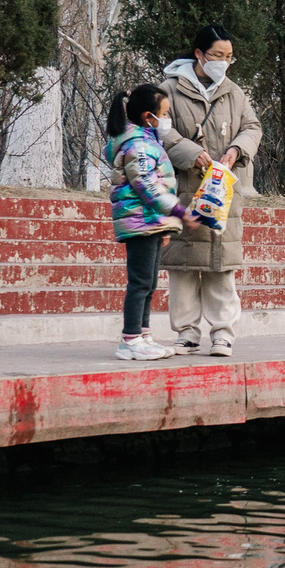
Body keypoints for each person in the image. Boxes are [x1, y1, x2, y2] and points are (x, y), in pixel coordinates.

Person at [159, 27, 262, 358]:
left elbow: (252, 127)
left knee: (221, 264)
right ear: (199, 54)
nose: (224, 62)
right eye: (218, 55)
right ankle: (187, 332)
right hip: (185, 188)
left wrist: (236, 149)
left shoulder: (234, 93)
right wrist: (190, 152)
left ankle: (222, 332)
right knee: (183, 265)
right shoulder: (169, 90)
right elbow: (160, 129)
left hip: (222, 192)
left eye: (229, 57)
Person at [106, 83, 190, 360]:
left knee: (149, 283)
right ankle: (130, 339)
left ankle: (142, 335)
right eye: (164, 113)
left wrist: (164, 224)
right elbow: (146, 186)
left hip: (149, 223)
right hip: (138, 223)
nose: (167, 119)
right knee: (140, 283)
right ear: (147, 116)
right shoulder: (139, 145)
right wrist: (178, 211)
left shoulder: (148, 142)